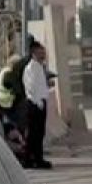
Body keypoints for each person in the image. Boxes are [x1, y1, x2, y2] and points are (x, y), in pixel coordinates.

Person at [22, 40, 53, 169]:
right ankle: (29, 159)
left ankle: (38, 158)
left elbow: (40, 85)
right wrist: (38, 102)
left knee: (39, 133)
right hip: (34, 104)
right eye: (41, 52)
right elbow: (31, 88)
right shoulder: (31, 68)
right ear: (34, 52)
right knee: (33, 133)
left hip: (40, 103)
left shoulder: (39, 67)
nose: (43, 54)